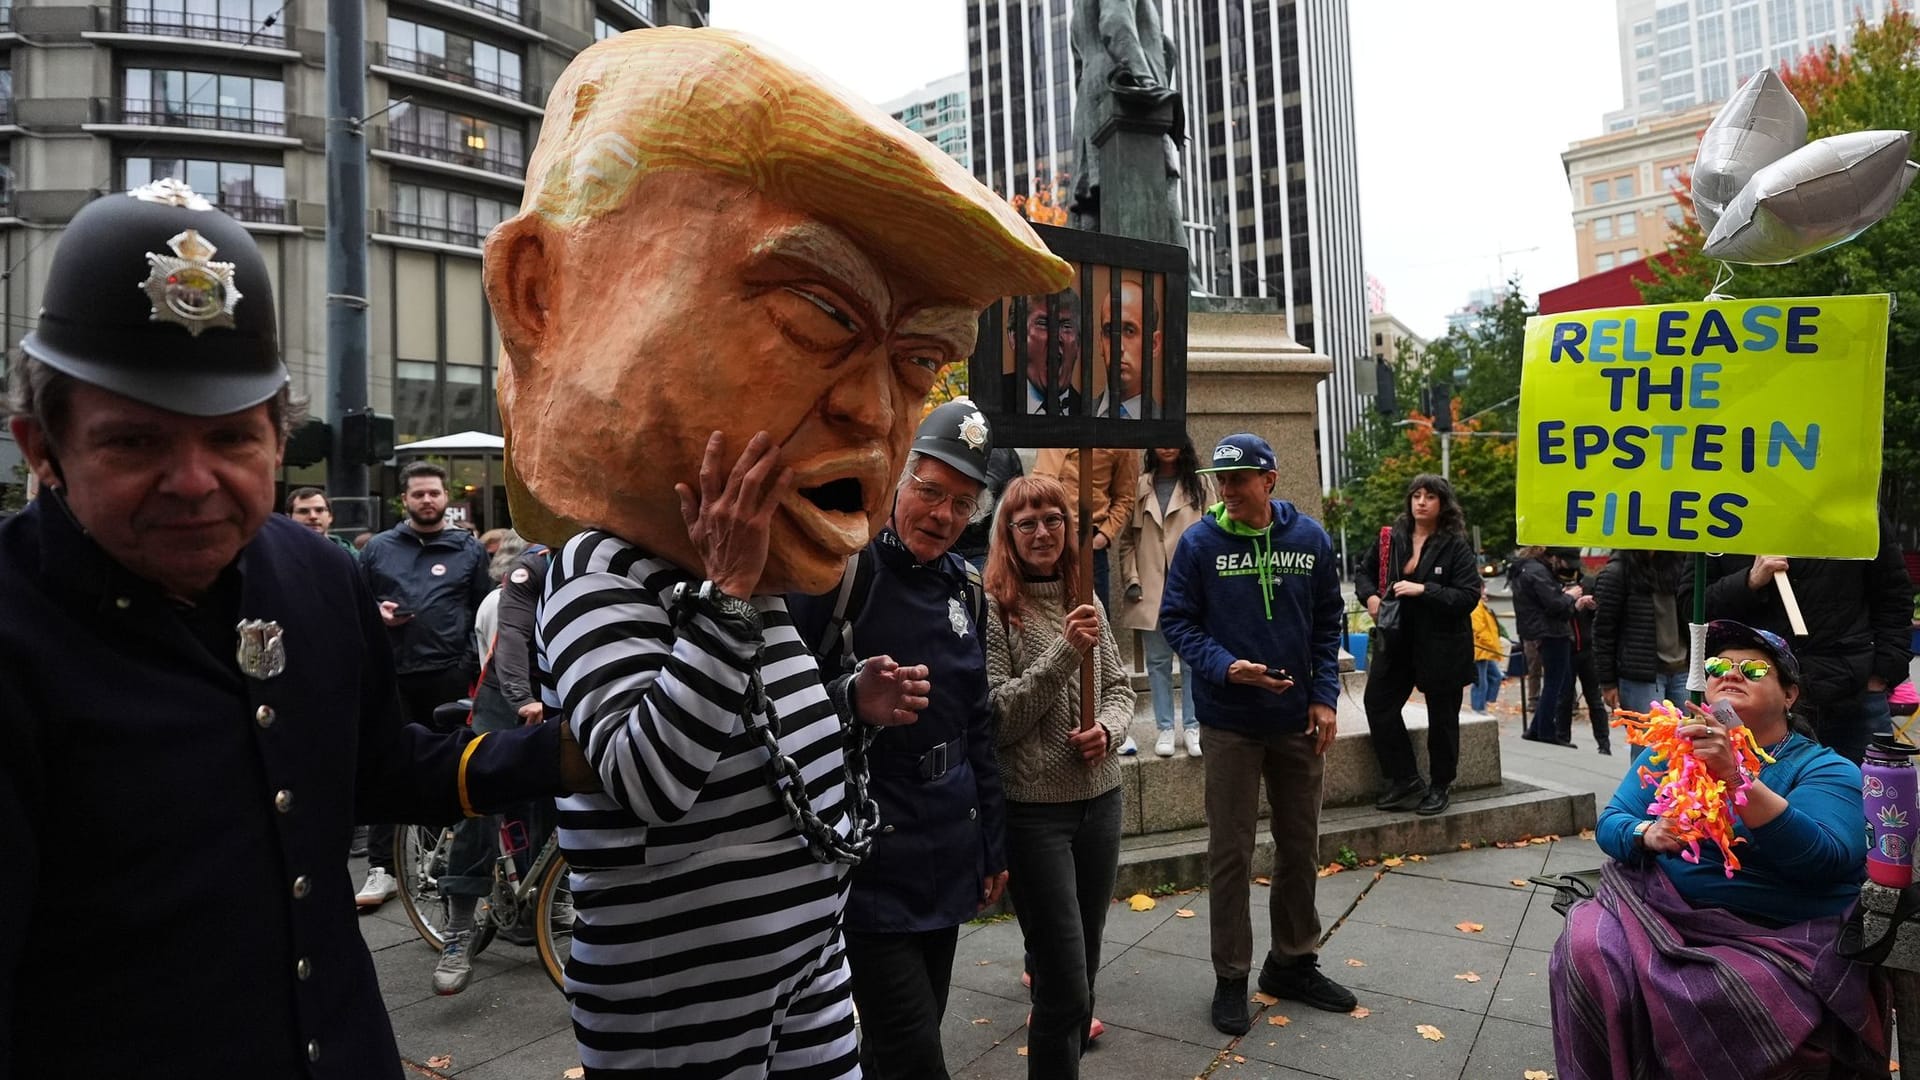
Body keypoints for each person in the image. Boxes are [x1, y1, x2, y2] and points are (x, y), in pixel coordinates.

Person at [486, 28, 1071, 1077]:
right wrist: (727, 589)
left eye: (917, 360)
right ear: (547, 294)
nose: (873, 409)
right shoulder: (602, 581)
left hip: (808, 965)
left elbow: (758, 741)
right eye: (817, 312)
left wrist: (847, 700)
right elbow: (651, 774)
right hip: (683, 1003)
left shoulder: (751, 582)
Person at [0, 181, 594, 1077]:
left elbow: (379, 770)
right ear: (41, 447)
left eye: (232, 438)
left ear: (279, 443)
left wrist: (568, 755)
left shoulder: (315, 574)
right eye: (135, 442)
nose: (194, 481)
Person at [1549, 620, 1888, 1078]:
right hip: (1661, 910)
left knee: (1730, 992)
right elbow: (1612, 823)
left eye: (1753, 669)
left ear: (1789, 695)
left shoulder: (1824, 767)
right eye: (1716, 666)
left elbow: (1823, 859)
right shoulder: (1673, 750)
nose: (1730, 674)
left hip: (1777, 929)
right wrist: (1648, 833)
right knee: (1588, 946)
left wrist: (1735, 778)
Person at [789, 401, 1009, 1080]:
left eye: (963, 504)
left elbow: (977, 723)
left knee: (899, 1047)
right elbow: (773, 705)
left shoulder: (966, 588)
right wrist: (851, 699)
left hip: (948, 844)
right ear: (896, 480)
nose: (943, 516)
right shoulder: (839, 573)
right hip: (868, 858)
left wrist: (992, 841)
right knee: (917, 1058)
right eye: (931, 492)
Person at [1159, 433, 1355, 1036]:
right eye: (1221, 480)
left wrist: (1324, 697)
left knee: (1300, 846)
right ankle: (1231, 976)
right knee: (1231, 853)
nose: (1227, 490)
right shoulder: (1198, 543)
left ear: (1269, 480)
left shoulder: (1309, 539)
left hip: (1297, 721)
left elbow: (1328, 622)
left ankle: (1292, 962)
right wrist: (1226, 667)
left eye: (1239, 479)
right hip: (1230, 724)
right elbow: (1176, 622)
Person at [983, 475, 1134, 1079]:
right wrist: (1065, 651)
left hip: (1101, 800)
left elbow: (1119, 689)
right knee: (1065, 984)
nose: (1042, 532)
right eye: (1027, 523)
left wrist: (1108, 731)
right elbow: (997, 717)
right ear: (1008, 534)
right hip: (1035, 811)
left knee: (1084, 971)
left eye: (1053, 519)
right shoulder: (996, 607)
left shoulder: (1083, 595)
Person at [354, 459, 494, 908]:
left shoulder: (468, 549)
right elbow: (355, 607)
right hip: (391, 675)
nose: (427, 500)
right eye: (419, 494)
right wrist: (376, 615)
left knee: (444, 768)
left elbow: (483, 610)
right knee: (384, 764)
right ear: (405, 500)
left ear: (446, 497)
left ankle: (440, 860)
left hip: (448, 675)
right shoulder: (378, 549)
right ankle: (383, 868)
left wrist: (466, 664)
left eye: (434, 492)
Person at [433, 531, 557, 993]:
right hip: (507, 691)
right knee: (482, 795)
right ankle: (459, 927)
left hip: (557, 689)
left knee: (559, 790)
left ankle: (552, 897)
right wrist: (522, 698)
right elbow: (512, 639)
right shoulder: (534, 565)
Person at [1704, 516, 1915, 764]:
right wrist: (1749, 581)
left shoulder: (1855, 509)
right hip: (1749, 703)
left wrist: (1881, 675)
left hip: (1852, 697)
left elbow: (1894, 597)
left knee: (1870, 786)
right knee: (1737, 784)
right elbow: (1692, 606)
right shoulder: (1722, 511)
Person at [1353, 474, 1479, 815]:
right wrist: (1371, 598)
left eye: (1430, 496)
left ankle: (1440, 786)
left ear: (1443, 503)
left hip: (1441, 644)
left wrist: (1424, 590)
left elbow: (1468, 596)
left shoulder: (1455, 545)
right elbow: (1363, 572)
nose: (1421, 502)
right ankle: (1405, 778)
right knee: (1378, 703)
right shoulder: (1392, 538)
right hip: (1396, 639)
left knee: (1442, 717)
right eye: (1416, 495)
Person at [1116, 438, 1210, 757]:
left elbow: (1214, 530)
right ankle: (1165, 727)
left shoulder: (1200, 483)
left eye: (1173, 442)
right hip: (1151, 587)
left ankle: (1193, 726)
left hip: (1191, 585)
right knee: (1157, 662)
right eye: (1161, 442)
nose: (1167, 447)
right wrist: (1131, 579)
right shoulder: (1140, 485)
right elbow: (1127, 541)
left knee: (1193, 661)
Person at [1031, 446, 1139, 606]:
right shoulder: (1050, 431)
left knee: (1092, 612)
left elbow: (1125, 497)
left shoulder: (1119, 437)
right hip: (1042, 535)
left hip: (1087, 542)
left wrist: (1103, 536)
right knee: (1037, 609)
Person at [1594, 549, 1692, 716]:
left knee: (1689, 731)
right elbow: (1603, 632)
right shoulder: (1617, 571)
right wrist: (1607, 682)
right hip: (1640, 675)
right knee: (1650, 732)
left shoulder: (1678, 565)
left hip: (1683, 669)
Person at [1514, 546, 1588, 747]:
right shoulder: (1538, 571)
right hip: (1551, 632)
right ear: (1554, 557)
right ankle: (1546, 730)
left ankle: (1536, 729)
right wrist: (1570, 596)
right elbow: (1555, 604)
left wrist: (1568, 601)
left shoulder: (1529, 569)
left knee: (1555, 682)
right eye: (1565, 562)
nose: (1566, 567)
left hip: (1541, 631)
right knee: (1556, 683)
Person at [1557, 555, 1611, 755]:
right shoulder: (1554, 588)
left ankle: (1604, 743)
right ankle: (1562, 737)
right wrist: (1572, 604)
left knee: (1594, 699)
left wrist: (1593, 605)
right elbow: (1555, 613)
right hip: (1567, 648)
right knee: (1564, 698)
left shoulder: (1588, 584)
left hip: (1587, 649)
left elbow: (1601, 613)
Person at [1091, 275, 1160, 420]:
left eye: (1130, 331)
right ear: (1100, 342)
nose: (1118, 347)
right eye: (1110, 331)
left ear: (1154, 344)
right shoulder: (1074, 416)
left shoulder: (1169, 429)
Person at [1006, 290, 1084, 415]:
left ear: (1079, 343)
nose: (1055, 337)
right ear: (1014, 337)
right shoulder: (989, 401)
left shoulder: (1089, 412)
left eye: (1066, 326)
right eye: (1043, 324)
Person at [1469, 581, 1505, 718]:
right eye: (1483, 589)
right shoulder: (1476, 607)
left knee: (1495, 676)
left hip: (1486, 649)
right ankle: (1478, 708)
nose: (1486, 591)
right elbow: (1478, 629)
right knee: (1480, 681)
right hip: (1481, 649)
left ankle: (1485, 703)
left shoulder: (1482, 605)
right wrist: (1491, 644)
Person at [285, 485, 355, 557]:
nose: (313, 516)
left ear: (330, 516)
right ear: (289, 518)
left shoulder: (351, 555)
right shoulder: (280, 553)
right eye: (303, 511)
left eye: (319, 510)